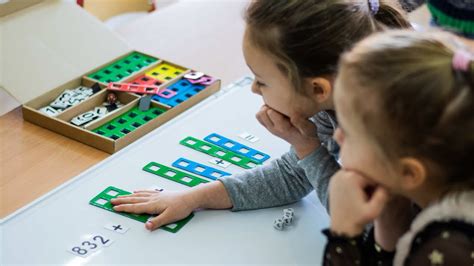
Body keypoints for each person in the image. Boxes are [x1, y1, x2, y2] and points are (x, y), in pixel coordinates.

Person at [324, 29, 474, 265]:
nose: (337, 135)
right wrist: (389, 215)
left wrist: (343, 234)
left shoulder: (449, 250)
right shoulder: (446, 177)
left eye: (350, 134)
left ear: (409, 173)